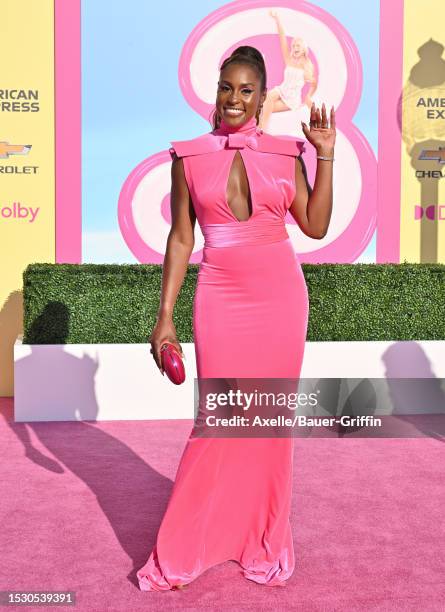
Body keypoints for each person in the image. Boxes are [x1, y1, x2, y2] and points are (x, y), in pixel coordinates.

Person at [137, 45, 335, 591]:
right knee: (218, 422)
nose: (234, 99)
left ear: (261, 95)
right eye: (227, 87)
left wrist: (327, 154)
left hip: (280, 297)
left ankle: (261, 539)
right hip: (220, 296)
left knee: (269, 426)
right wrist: (165, 317)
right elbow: (181, 239)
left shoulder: (285, 152)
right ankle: (184, 548)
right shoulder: (188, 156)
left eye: (246, 90)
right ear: (216, 89)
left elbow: (314, 226)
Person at [259, 10, 317, 131]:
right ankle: (262, 130)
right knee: (266, 98)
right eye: (294, 45)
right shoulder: (289, 60)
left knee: (264, 107)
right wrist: (277, 19)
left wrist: (309, 97)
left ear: (304, 49)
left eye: (298, 46)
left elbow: (313, 83)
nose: (295, 47)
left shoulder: (307, 65)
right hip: (281, 90)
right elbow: (282, 39)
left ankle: (261, 130)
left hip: (291, 99)